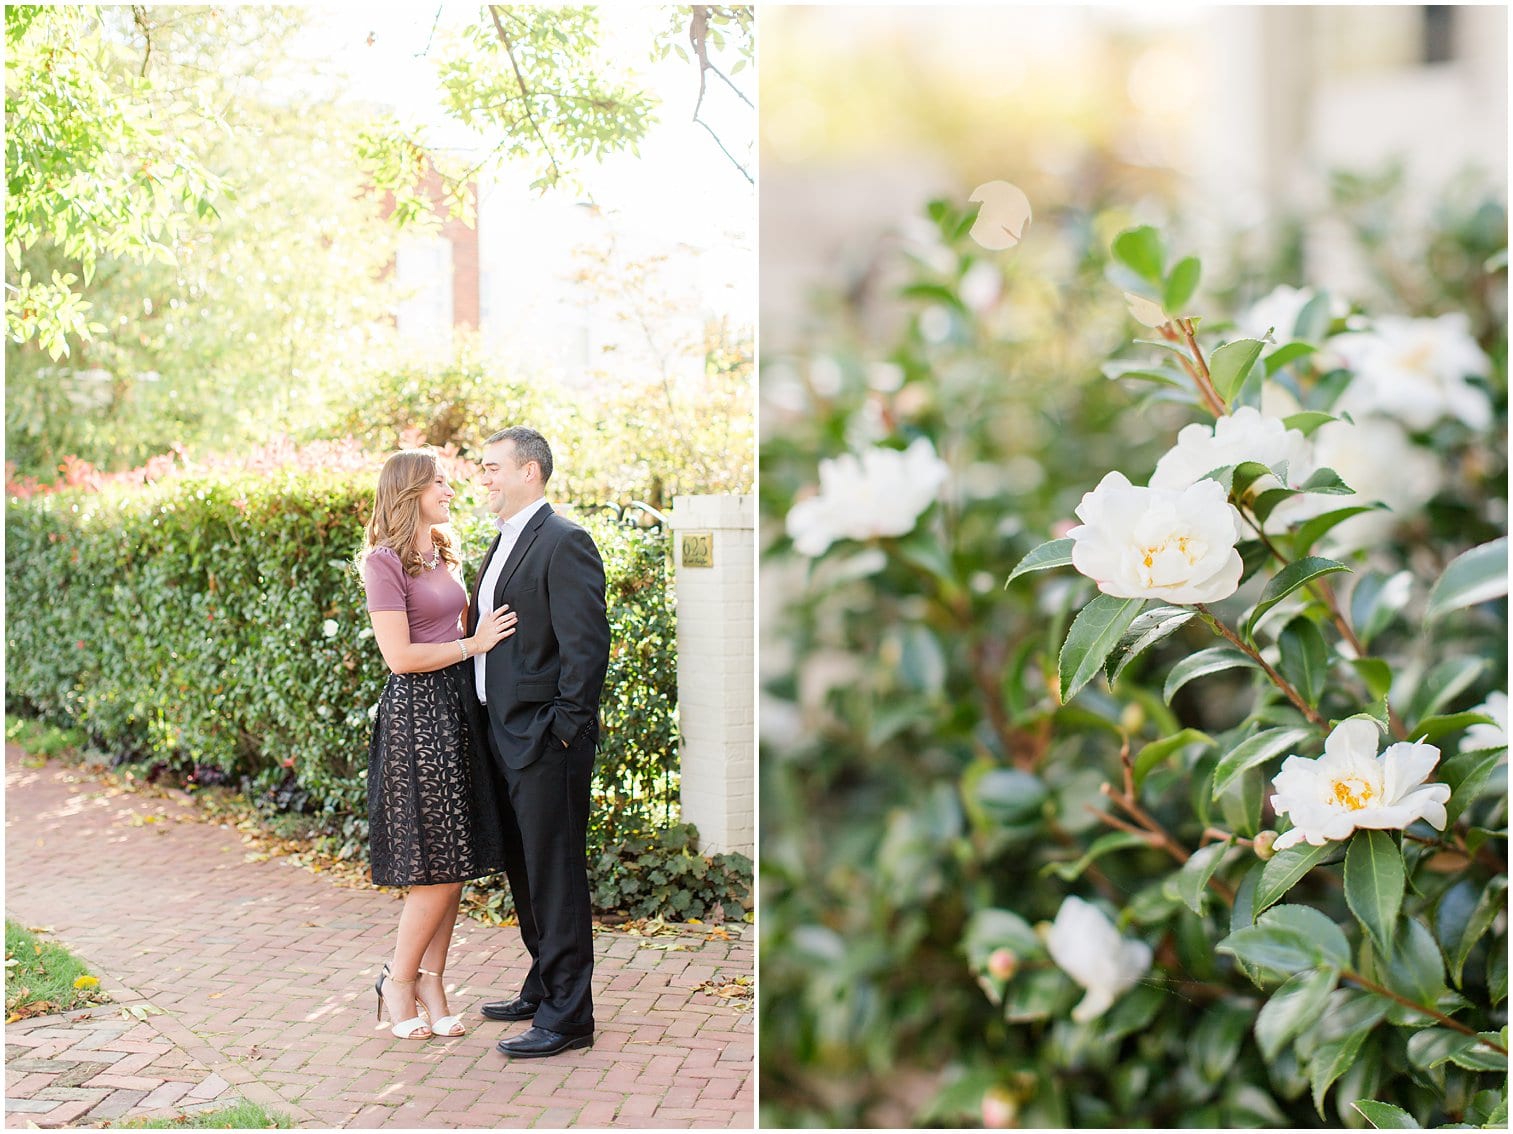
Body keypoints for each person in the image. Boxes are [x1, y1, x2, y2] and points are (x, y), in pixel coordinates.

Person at [360, 447, 519, 1040]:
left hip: (457, 708)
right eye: (440, 482)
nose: (452, 490)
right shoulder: (383, 562)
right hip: (418, 715)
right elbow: (398, 657)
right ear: (410, 491)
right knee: (436, 868)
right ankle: (398, 981)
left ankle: (432, 978)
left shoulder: (443, 551)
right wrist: (470, 647)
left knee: (454, 859)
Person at [466, 426, 610, 1059]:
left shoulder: (564, 541)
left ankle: (570, 1016)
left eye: (494, 468)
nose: (484, 478)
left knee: (554, 873)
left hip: (545, 741)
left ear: (530, 472)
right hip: (502, 733)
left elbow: (587, 647)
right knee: (525, 868)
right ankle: (542, 983)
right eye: (481, 469)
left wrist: (562, 729)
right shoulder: (503, 542)